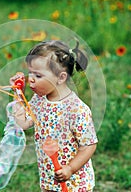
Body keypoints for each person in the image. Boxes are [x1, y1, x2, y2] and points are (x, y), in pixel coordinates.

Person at [10, 40, 98, 192]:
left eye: (37, 75)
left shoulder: (76, 109)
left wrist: (70, 169)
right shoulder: (39, 100)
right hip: (49, 178)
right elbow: (22, 124)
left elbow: (89, 145)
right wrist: (18, 94)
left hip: (75, 184)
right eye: (30, 72)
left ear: (61, 77)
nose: (30, 79)